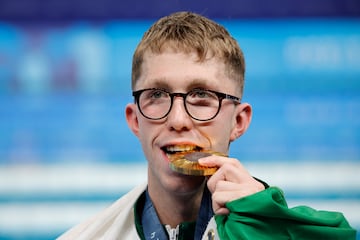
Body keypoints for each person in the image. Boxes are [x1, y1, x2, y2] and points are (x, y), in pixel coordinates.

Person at [57, 11, 356, 239]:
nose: (177, 120)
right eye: (157, 95)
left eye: (201, 96)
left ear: (239, 121)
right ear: (135, 120)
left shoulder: (279, 231)